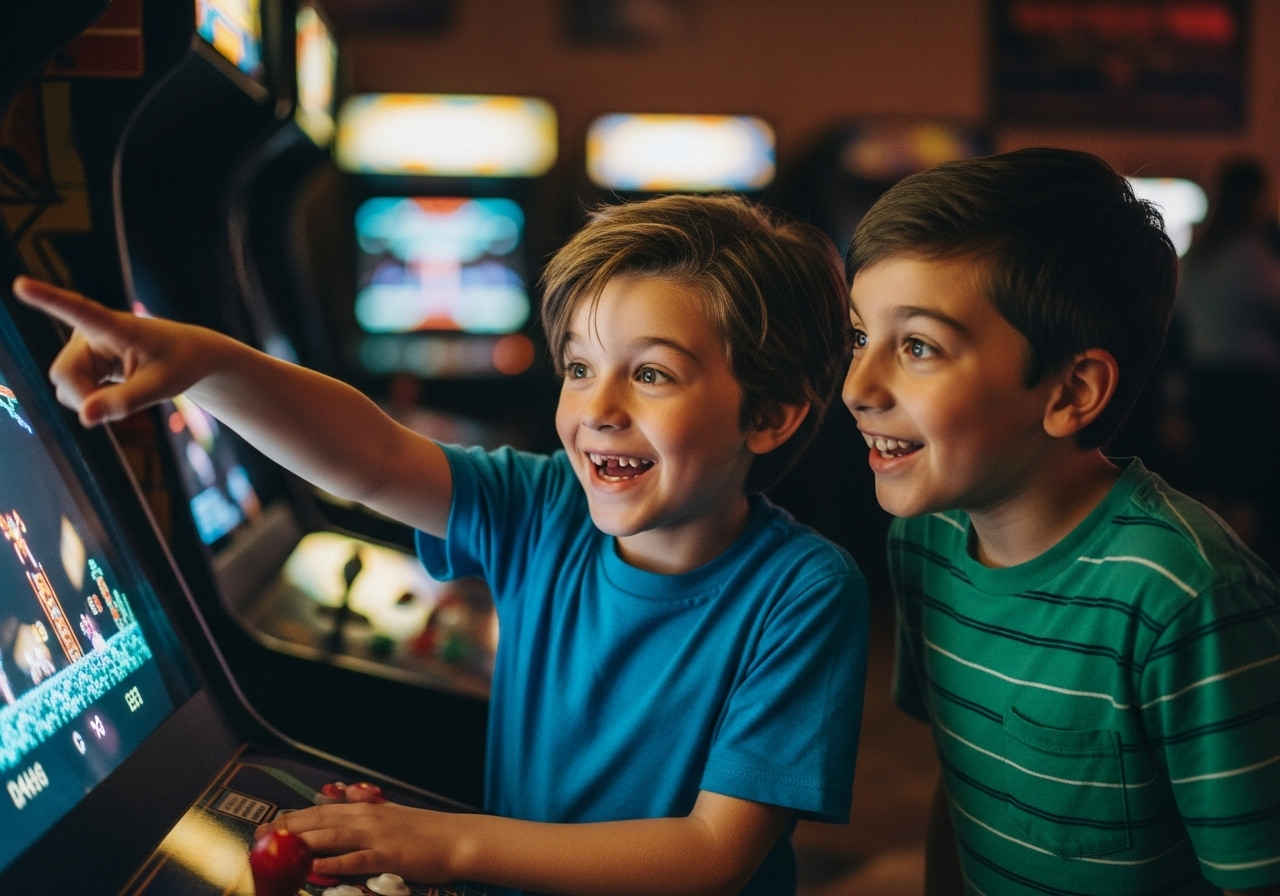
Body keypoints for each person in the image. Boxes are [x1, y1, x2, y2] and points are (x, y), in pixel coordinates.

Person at [12, 193, 869, 896]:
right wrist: (207, 365)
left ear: (770, 414)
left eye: (651, 373)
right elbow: (373, 454)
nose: (598, 406)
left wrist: (441, 843)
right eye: (578, 367)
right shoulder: (546, 509)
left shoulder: (803, 591)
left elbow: (713, 854)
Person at [840, 148, 1280, 896]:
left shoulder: (1183, 600)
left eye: (918, 347)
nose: (857, 387)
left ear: (1073, 390)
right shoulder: (925, 540)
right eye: (858, 336)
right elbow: (963, 783)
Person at [1175, 157, 1280, 564]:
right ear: (1254, 197)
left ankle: (1208, 563)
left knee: (1211, 481)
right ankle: (1246, 574)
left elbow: (1182, 319)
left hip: (1203, 382)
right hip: (1248, 386)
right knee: (1251, 484)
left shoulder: (1198, 255)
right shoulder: (1252, 255)